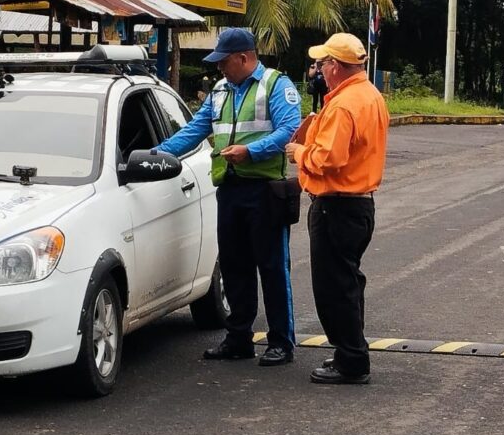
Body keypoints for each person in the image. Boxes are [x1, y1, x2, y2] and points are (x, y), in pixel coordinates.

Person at [156, 27, 302, 366]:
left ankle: (282, 341)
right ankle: (239, 338)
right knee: (234, 266)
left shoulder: (276, 85)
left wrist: (251, 152)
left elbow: (290, 131)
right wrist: (158, 153)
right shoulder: (221, 90)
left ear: (244, 57)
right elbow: (195, 130)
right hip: (229, 189)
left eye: (224, 62)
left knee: (273, 267)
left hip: (265, 190)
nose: (220, 68)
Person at [285, 33, 389, 385]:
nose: (317, 70)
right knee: (347, 282)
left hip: (337, 206)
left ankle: (351, 361)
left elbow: (329, 158)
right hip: (357, 204)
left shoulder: (344, 105)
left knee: (334, 287)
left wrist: (298, 152)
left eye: (321, 63)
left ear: (335, 66)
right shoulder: (369, 96)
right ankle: (351, 351)